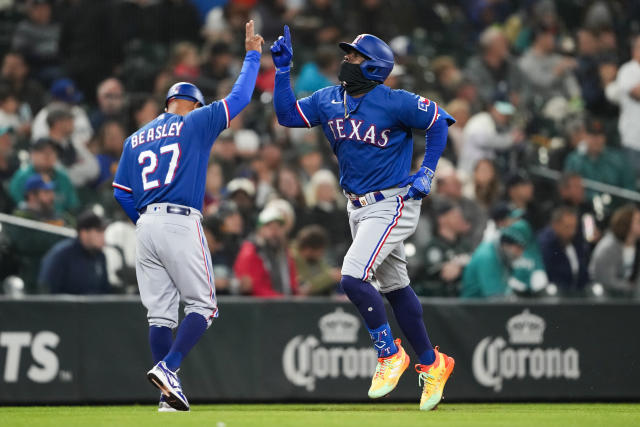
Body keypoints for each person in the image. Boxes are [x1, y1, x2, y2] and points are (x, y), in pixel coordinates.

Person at [271, 27, 455, 410]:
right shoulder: (330, 98)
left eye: (355, 56)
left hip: (393, 201)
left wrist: (428, 170)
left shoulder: (395, 101)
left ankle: (390, 355)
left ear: (374, 68)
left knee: (353, 276)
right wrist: (282, 70)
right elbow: (287, 115)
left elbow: (438, 121)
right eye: (348, 55)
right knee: (396, 288)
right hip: (356, 206)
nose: (346, 60)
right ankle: (432, 363)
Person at [112, 21, 263, 412]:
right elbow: (242, 95)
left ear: (166, 104)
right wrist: (252, 55)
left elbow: (120, 190)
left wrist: (144, 221)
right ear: (194, 105)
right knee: (204, 306)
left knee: (161, 313)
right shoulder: (196, 121)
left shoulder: (134, 138)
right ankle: (170, 369)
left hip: (145, 224)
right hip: (180, 220)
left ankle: (165, 398)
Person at [38, 211, 110, 294]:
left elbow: (104, 291)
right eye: (99, 232)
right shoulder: (61, 254)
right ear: (84, 233)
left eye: (104, 232)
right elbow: (48, 290)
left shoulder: (100, 256)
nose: (103, 237)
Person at [233, 205, 299, 297]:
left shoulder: (284, 251)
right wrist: (284, 300)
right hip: (260, 308)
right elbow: (255, 287)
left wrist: (296, 296)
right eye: (270, 227)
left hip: (284, 304)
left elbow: (292, 282)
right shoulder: (251, 251)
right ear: (260, 230)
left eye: (278, 227)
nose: (275, 232)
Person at [414, 200, 472, 297]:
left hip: (463, 299)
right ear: (442, 219)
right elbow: (444, 274)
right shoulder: (432, 247)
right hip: (437, 302)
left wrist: (460, 267)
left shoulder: (465, 245)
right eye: (455, 216)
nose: (460, 220)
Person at [589, 204, 640, 298]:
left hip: (631, 300)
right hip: (606, 299)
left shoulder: (637, 246)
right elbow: (606, 281)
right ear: (627, 224)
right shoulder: (607, 248)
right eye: (638, 221)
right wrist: (632, 287)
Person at [537, 206, 589, 294]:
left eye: (574, 227)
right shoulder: (544, 246)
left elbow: (583, 274)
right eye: (567, 227)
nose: (572, 232)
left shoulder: (575, 243)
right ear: (555, 225)